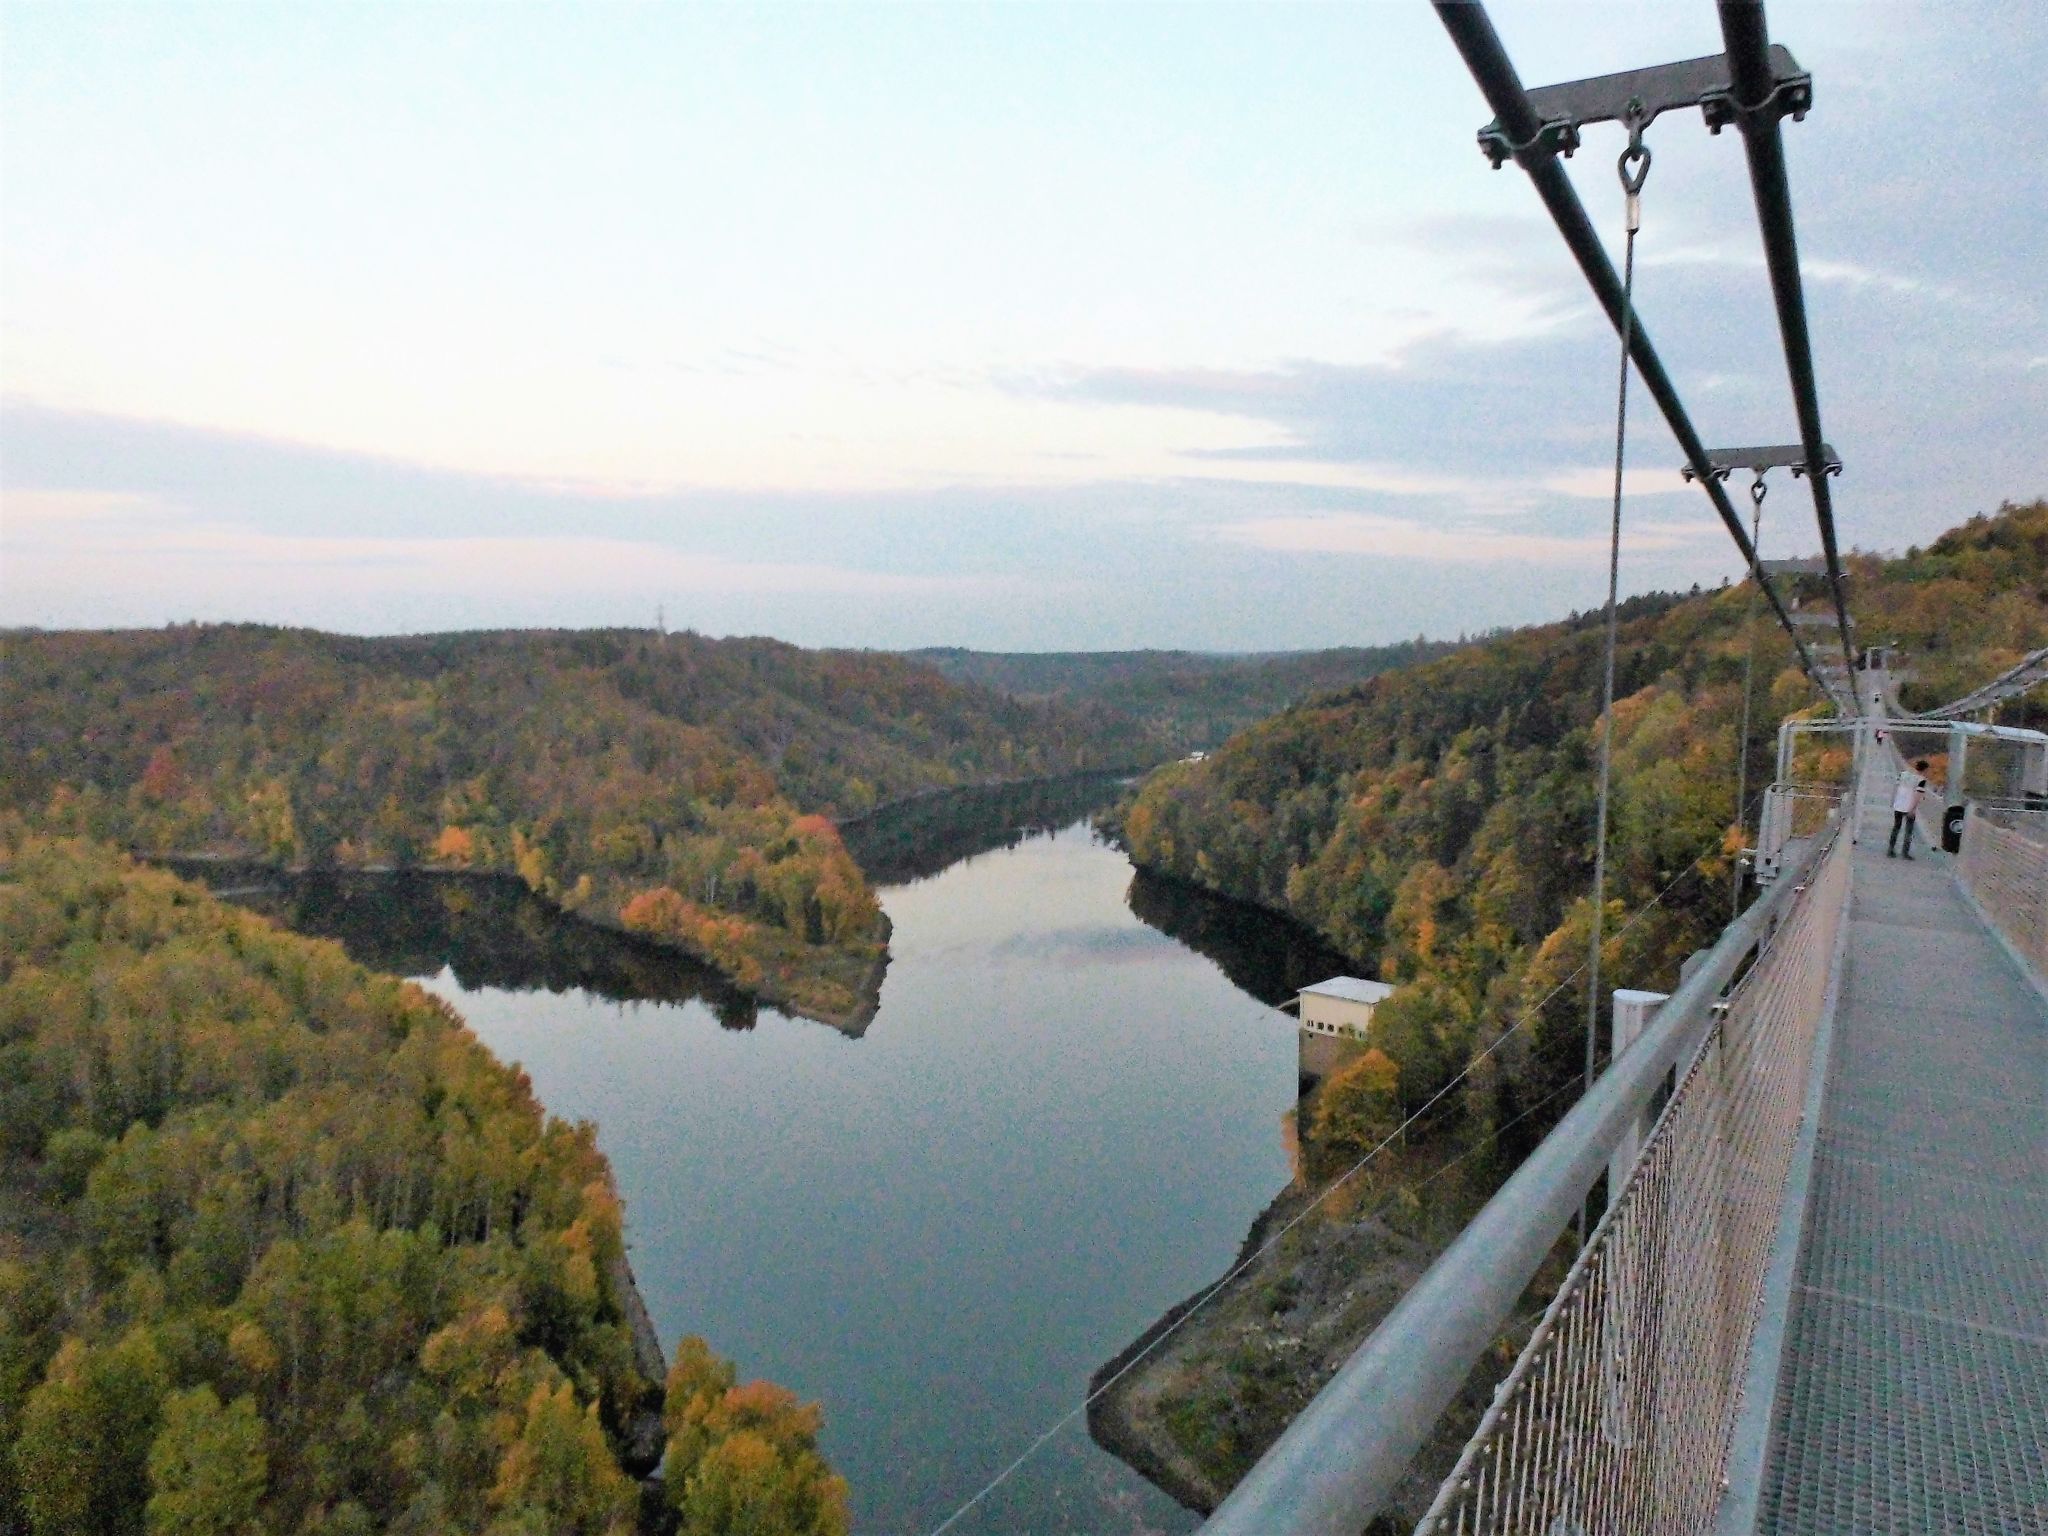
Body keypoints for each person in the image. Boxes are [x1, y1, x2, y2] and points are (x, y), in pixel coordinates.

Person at [1889, 758, 1931, 859]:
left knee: (1896, 828)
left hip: (1898, 804)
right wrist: (1912, 809)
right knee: (1908, 831)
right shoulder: (1921, 780)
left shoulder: (1903, 774)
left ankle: (1890, 849)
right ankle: (1905, 853)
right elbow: (1917, 795)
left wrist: (1893, 800)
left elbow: (1895, 788)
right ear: (1924, 769)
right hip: (1909, 807)